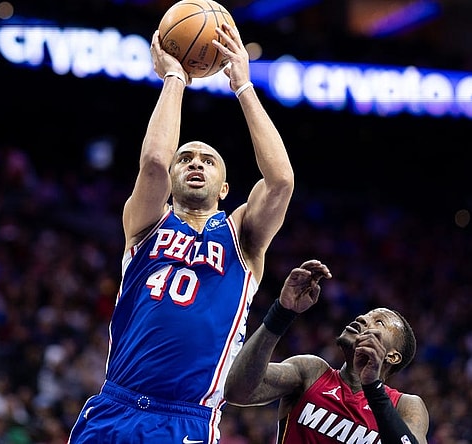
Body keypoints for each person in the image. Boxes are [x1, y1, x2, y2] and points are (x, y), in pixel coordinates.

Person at [68, 21, 295, 444]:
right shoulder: (146, 222)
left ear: (224, 188)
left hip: (187, 418)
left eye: (208, 161)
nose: (195, 163)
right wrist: (175, 77)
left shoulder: (243, 235)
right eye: (186, 159)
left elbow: (281, 181)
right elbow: (155, 161)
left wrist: (243, 87)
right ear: (172, 180)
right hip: (114, 406)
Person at [225, 260, 430, 444]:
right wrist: (282, 313)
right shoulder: (310, 372)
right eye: (366, 315)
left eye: (379, 322)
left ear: (392, 356)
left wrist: (372, 388)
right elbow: (237, 392)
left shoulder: (405, 406)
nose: (362, 318)